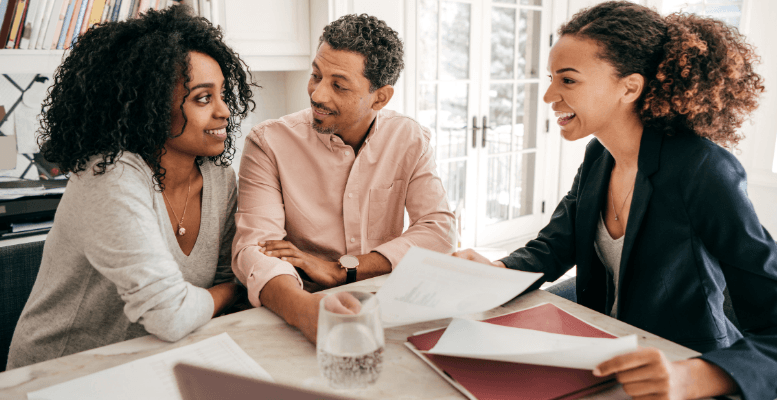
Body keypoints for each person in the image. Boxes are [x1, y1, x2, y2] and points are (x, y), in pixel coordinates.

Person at [454, 2, 776, 399]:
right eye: (551, 78)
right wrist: (493, 271)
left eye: (568, 81)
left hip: (682, 369)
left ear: (630, 87)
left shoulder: (702, 169)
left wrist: (691, 377)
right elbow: (555, 245)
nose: (550, 95)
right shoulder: (599, 156)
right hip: (610, 354)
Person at [7, 5, 255, 369]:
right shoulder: (110, 177)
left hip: (150, 362)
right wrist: (236, 289)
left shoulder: (219, 176)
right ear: (150, 106)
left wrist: (225, 289)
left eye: (222, 94)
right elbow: (172, 314)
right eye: (203, 98)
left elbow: (218, 280)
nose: (225, 112)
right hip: (59, 374)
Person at [232, 14, 456, 342]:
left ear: (380, 98)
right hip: (296, 304)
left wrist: (345, 268)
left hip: (387, 303)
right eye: (316, 75)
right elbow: (253, 249)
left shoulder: (409, 138)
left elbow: (439, 232)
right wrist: (305, 310)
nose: (318, 95)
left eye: (338, 85)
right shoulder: (268, 143)